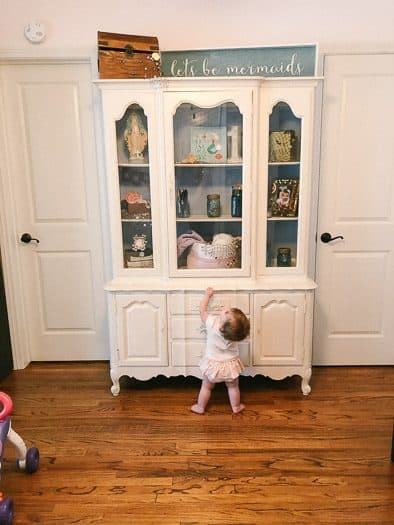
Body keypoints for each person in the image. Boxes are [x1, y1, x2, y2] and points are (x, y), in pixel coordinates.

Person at [191, 287, 250, 414]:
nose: (225, 309)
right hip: (230, 366)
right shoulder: (234, 334)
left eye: (226, 312)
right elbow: (236, 326)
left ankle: (200, 407)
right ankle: (236, 406)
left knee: (206, 386)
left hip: (213, 366)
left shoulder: (213, 323)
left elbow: (202, 310)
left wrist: (207, 295)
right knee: (233, 386)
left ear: (222, 327)